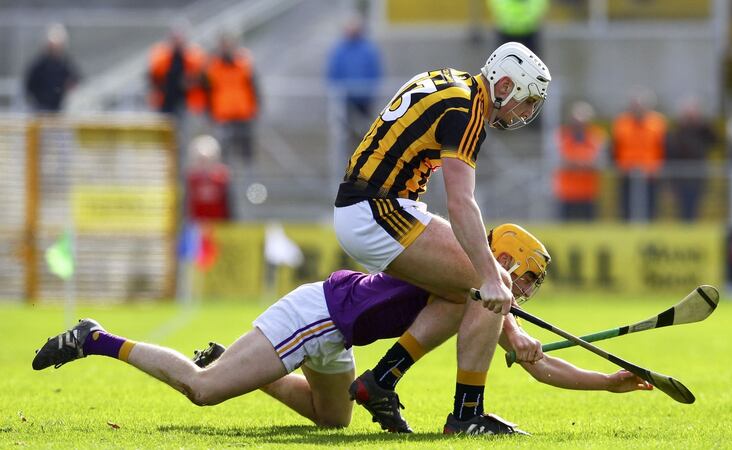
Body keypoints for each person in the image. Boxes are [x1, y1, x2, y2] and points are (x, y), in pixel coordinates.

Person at [32, 224, 652, 432]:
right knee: (204, 389)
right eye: (525, 277)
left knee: (331, 420)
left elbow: (535, 361)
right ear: (506, 260)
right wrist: (517, 334)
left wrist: (607, 384)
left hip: (342, 334)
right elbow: (524, 350)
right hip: (318, 315)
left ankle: (244, 359)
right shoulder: (470, 282)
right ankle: (96, 337)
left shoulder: (480, 296)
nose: (523, 290)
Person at [333, 42, 550, 434]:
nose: (527, 113)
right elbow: (461, 202)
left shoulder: (453, 85)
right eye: (527, 100)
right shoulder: (468, 109)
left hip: (369, 205)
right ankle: (467, 417)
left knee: (460, 293)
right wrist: (488, 278)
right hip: (377, 208)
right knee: (492, 280)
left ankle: (380, 381)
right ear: (503, 86)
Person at [326, 15, 383, 164]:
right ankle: (349, 165)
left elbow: (374, 72)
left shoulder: (368, 49)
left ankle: (366, 164)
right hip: (345, 100)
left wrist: (367, 91)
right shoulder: (340, 50)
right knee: (347, 134)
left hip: (364, 99)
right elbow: (333, 72)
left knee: (366, 133)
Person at [203, 31, 260, 170]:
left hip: (243, 114)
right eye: (224, 45)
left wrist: (255, 109)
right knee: (224, 155)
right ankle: (227, 187)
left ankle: (249, 186)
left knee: (246, 154)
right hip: (223, 116)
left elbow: (254, 87)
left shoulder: (243, 64)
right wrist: (210, 114)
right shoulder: (213, 67)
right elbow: (207, 91)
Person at [612, 88, 667, 222]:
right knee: (626, 209)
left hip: (650, 174)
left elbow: (663, 147)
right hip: (627, 173)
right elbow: (615, 147)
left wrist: (659, 167)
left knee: (651, 208)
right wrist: (619, 166)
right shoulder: (621, 123)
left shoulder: (658, 123)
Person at [665, 96, 717, 222]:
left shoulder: (702, 130)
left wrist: (701, 123)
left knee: (695, 208)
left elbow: (714, 140)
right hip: (681, 177)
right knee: (682, 210)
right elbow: (671, 154)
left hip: (697, 176)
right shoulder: (677, 132)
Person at [553, 101, 606, 221]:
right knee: (565, 228)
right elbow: (558, 160)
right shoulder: (561, 135)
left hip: (588, 192)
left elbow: (600, 162)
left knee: (588, 229)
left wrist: (578, 163)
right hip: (567, 192)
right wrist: (581, 163)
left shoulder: (596, 136)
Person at [147, 21, 207, 117]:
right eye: (175, 38)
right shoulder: (162, 53)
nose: (177, 41)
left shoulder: (193, 54)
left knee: (185, 128)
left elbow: (200, 75)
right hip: (165, 100)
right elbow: (155, 72)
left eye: (179, 38)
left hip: (187, 101)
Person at [24, 23, 81, 112]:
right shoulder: (40, 64)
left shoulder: (65, 63)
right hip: (41, 108)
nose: (55, 48)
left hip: (60, 108)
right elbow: (30, 85)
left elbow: (76, 79)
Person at [185, 135, 231, 222]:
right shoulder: (192, 177)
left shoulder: (221, 176)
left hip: (218, 221)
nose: (204, 162)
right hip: (198, 221)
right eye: (201, 159)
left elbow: (226, 202)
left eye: (207, 159)